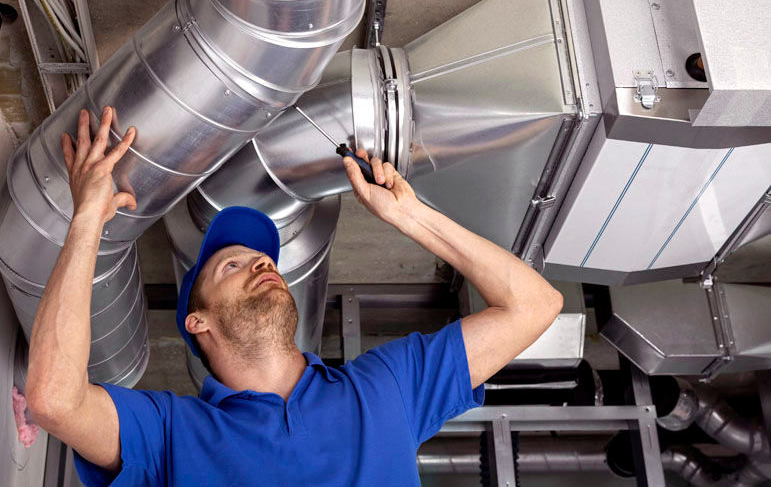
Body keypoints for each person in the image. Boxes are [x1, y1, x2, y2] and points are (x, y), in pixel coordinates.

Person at [25, 106, 563, 486]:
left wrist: (410, 215)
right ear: (198, 322)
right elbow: (54, 399)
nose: (263, 262)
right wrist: (88, 219)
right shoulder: (169, 433)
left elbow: (534, 305)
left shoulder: (386, 388)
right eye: (231, 265)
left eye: (263, 260)